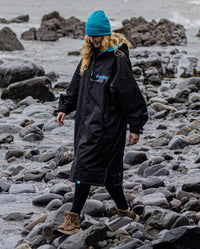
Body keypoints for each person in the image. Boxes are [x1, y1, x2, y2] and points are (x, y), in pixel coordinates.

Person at [56, 10, 148, 235]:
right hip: (86, 125)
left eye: (97, 36)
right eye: (90, 36)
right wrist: (65, 107)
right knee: (109, 174)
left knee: (82, 169)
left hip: (108, 127)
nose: (94, 39)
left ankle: (73, 220)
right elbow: (76, 83)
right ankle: (125, 210)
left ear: (106, 34)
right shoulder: (89, 56)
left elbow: (130, 94)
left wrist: (135, 126)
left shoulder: (117, 60)